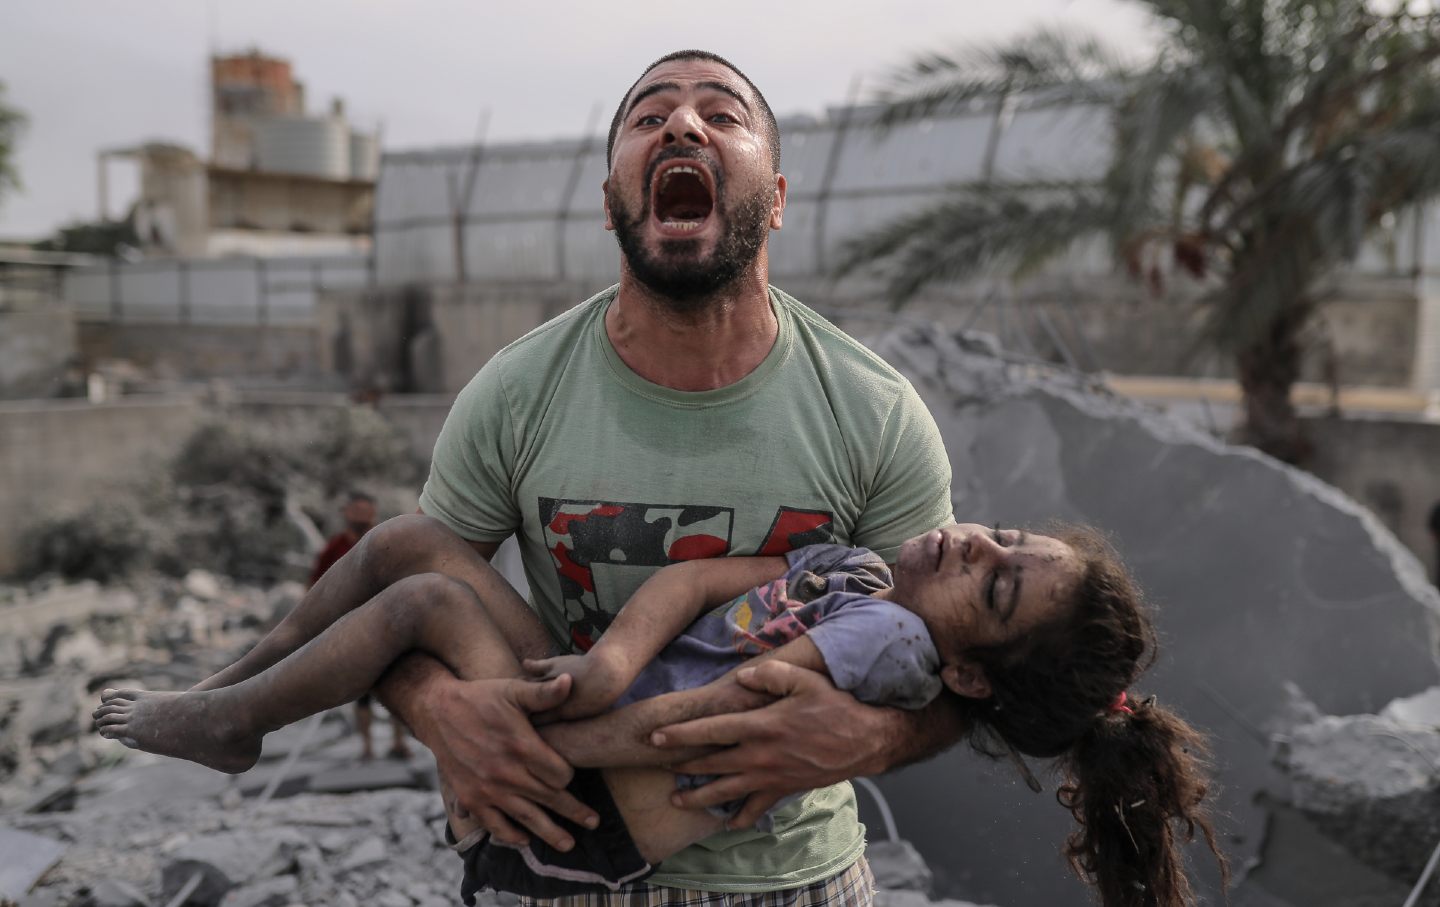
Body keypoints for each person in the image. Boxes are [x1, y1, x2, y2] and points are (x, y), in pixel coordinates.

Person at [151, 49, 958, 906]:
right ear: (612, 205)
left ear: (780, 198)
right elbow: (403, 603)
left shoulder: (874, 411)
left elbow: (957, 671)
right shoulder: (516, 391)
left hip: (797, 880)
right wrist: (436, 709)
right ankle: (234, 703)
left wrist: (865, 740)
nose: (683, 124)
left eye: (722, 114)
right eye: (649, 118)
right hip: (550, 855)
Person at [95, 521, 1226, 907]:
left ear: (973, 675)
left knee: (426, 591)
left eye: (995, 582)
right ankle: (227, 702)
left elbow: (708, 722)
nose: (977, 542)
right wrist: (606, 660)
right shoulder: (864, 576)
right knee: (398, 546)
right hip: (600, 695)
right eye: (1009, 537)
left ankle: (237, 715)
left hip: (594, 793)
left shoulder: (891, 646)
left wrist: (534, 731)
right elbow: (701, 584)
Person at [308, 491, 410, 761]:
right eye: (356, 511)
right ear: (347, 513)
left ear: (373, 513)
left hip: (386, 620)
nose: (361, 516)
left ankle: (399, 743)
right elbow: (316, 586)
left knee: (396, 680)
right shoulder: (335, 547)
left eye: (366, 511)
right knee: (361, 689)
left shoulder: (384, 539)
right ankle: (367, 748)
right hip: (349, 625)